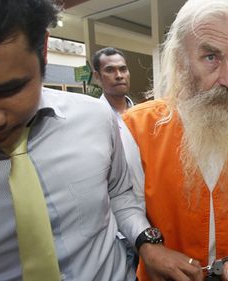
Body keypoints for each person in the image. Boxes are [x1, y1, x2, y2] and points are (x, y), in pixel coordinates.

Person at [0, 1, 166, 280]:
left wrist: (146, 242)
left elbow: (119, 193)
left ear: (42, 49)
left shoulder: (96, 118)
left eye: (7, 89)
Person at [122, 0, 228, 280]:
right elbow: (127, 204)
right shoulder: (137, 126)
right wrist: (148, 247)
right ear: (180, 59)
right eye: (211, 57)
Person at [92, 46, 143, 270]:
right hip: (115, 223)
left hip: (149, 215)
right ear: (97, 76)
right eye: (110, 70)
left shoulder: (144, 116)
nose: (119, 75)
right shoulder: (92, 119)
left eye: (123, 69)